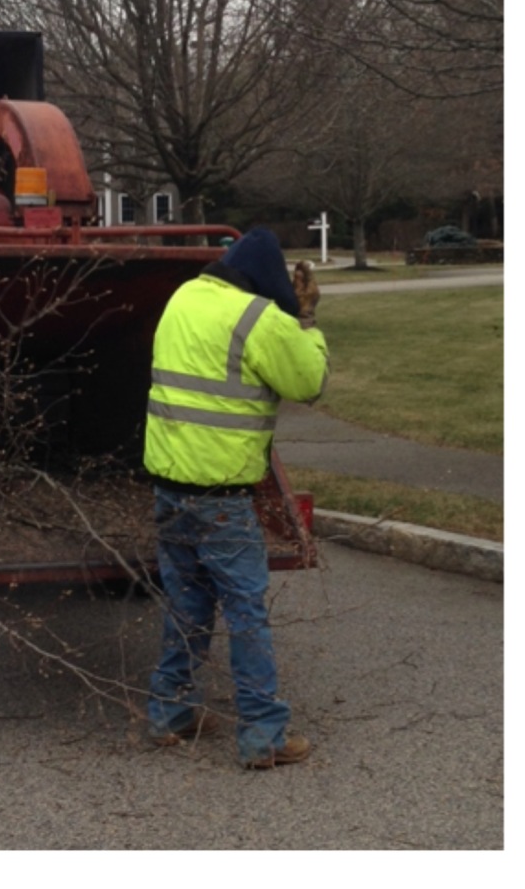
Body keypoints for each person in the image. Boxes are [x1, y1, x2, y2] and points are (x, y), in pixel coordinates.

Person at [143, 227, 329, 767]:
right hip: (221, 496)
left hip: (170, 489)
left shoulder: (182, 297)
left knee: (186, 603)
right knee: (247, 611)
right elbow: (310, 381)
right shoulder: (259, 319)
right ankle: (264, 736)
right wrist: (306, 318)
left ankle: (169, 711)